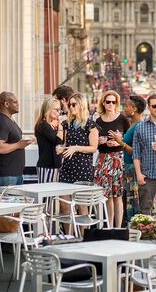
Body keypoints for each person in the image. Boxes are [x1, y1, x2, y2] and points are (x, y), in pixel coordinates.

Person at [58, 93, 99, 232]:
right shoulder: (66, 124)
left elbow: (93, 148)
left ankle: (82, 237)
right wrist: (61, 149)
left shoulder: (91, 125)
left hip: (82, 168)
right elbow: (63, 143)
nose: (70, 107)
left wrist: (75, 148)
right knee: (64, 204)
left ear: (81, 105)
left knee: (82, 205)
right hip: (67, 167)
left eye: (74, 104)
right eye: (69, 104)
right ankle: (69, 236)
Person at [93, 90, 130, 228]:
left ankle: (118, 227)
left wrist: (118, 142)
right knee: (107, 195)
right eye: (108, 101)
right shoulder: (98, 121)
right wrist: (101, 142)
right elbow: (94, 142)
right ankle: (109, 226)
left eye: (113, 102)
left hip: (117, 159)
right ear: (103, 103)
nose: (110, 104)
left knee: (118, 195)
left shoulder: (122, 119)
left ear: (117, 103)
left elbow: (128, 139)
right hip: (103, 159)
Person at [131, 93, 156, 215]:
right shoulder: (140, 127)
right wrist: (138, 174)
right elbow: (136, 153)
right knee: (145, 211)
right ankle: (145, 233)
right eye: (154, 106)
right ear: (149, 107)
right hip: (147, 176)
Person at [111, 95, 146, 222]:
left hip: (132, 169)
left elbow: (137, 153)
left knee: (133, 202)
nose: (123, 108)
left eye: (126, 106)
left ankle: (135, 228)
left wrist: (121, 142)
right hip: (127, 167)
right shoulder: (133, 124)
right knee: (128, 200)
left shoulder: (139, 126)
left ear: (134, 109)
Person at [0, 91, 35, 187]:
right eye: (15, 102)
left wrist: (24, 142)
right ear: (6, 104)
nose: (18, 104)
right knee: (5, 202)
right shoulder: (1, 121)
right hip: (5, 175)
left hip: (13, 174)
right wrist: (18, 145)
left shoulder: (9, 120)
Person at [35, 97, 64, 183]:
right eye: (56, 109)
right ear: (48, 109)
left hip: (55, 165)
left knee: (54, 195)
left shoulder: (52, 125)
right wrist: (61, 126)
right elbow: (58, 142)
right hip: (47, 166)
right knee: (46, 195)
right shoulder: (43, 125)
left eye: (59, 110)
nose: (58, 113)